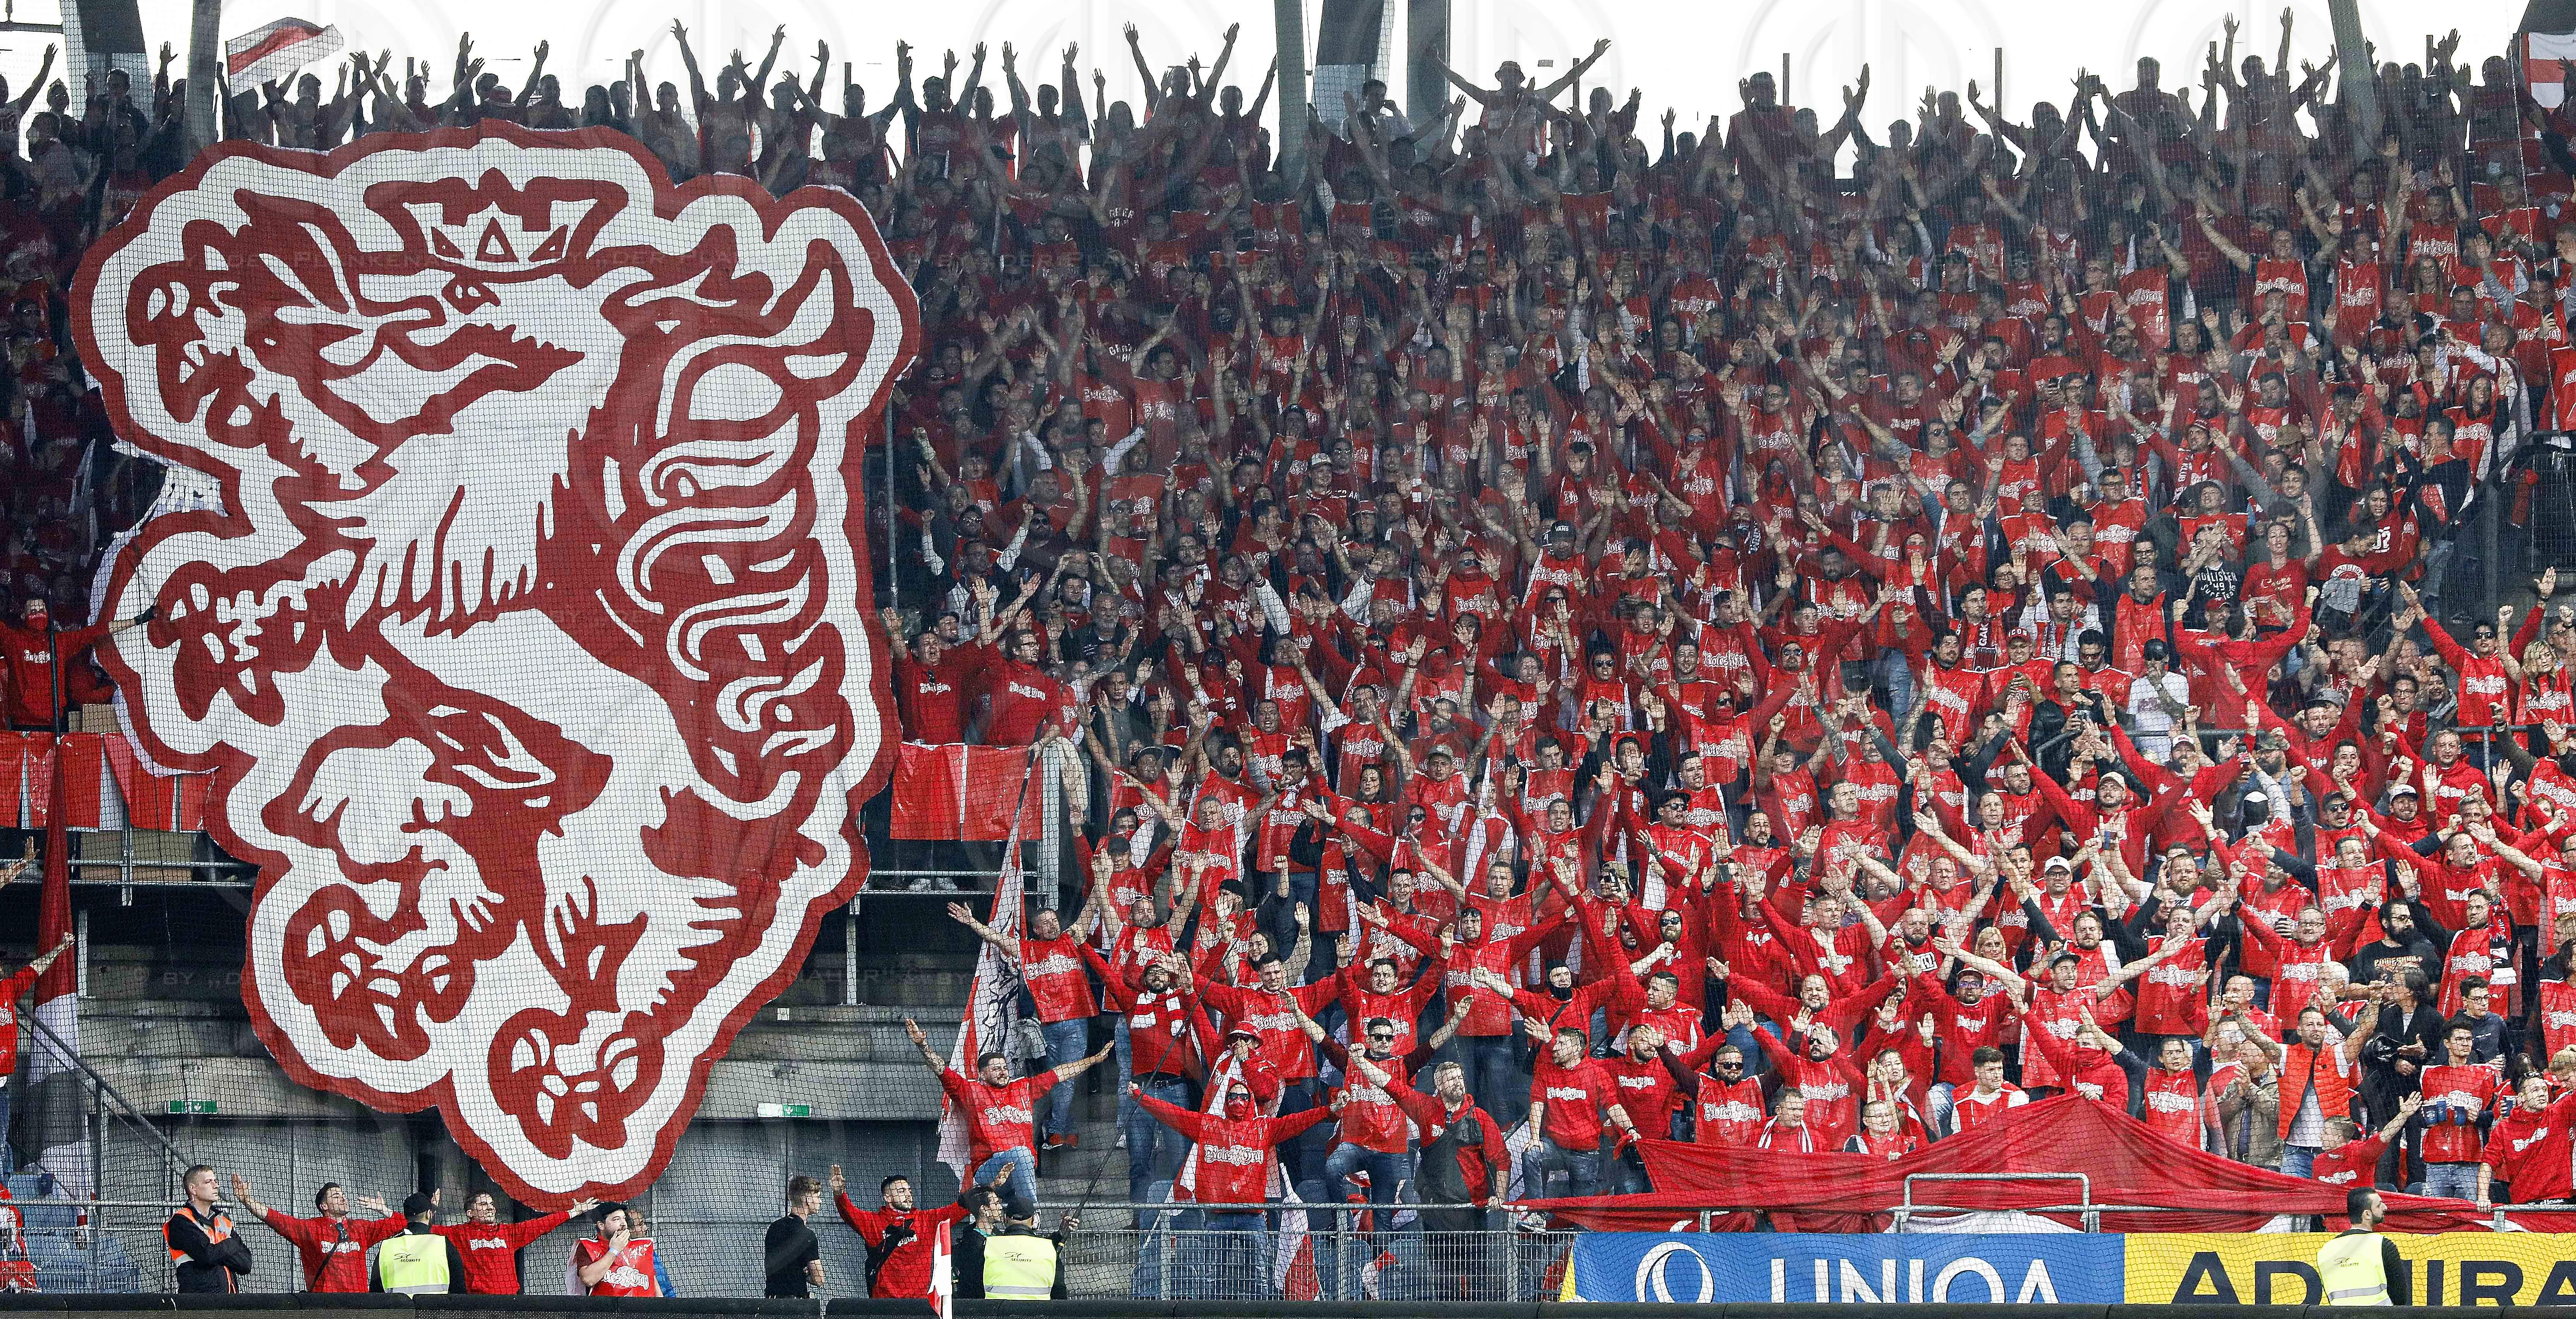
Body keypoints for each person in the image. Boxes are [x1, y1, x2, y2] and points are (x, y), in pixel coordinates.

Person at [900, 1016, 1112, 1206]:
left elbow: (1060, 1073)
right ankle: (1033, 1214)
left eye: (1004, 1067)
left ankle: (1022, 1218)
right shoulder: (971, 1091)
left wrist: (1095, 1059)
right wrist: (923, 1046)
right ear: (982, 1075)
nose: (1003, 1072)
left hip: (1019, 1173)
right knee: (1022, 1153)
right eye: (996, 1069)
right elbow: (941, 1070)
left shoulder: (1023, 1087)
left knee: (1023, 1158)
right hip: (988, 1172)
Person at [830, 1163, 982, 1302]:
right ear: (888, 1198)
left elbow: (959, 1209)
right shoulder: (873, 1222)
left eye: (909, 1190)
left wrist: (986, 1187)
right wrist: (839, 1194)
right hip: (884, 1305)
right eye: (902, 1191)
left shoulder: (927, 1220)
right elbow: (849, 1212)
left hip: (918, 1305)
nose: (909, 1194)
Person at [227, 1175, 399, 1293]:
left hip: (359, 1305)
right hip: (325, 1306)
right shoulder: (312, 1229)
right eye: (336, 1196)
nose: (343, 1198)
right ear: (324, 1206)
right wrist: (247, 1200)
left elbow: (401, 1223)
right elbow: (276, 1219)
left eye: (343, 1194)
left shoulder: (360, 1228)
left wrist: (382, 1209)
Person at [0, 930, 75, 1163]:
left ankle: (5, 1194)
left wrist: (60, 948)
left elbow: (35, 969)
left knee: (2, 1142)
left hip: (2, 1084)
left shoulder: (7, 989)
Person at [430, 1189, 597, 1295]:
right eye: (483, 1204)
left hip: (510, 1302)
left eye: (491, 1204)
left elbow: (540, 1225)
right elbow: (424, 1230)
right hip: (478, 1303)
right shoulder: (460, 1234)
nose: (490, 1208)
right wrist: (430, 1212)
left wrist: (573, 1212)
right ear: (470, 1213)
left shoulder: (509, 1233)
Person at [162, 1164, 251, 1294]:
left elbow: (245, 1264)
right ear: (193, 1189)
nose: (216, 1186)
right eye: (208, 1182)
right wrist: (231, 1243)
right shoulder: (182, 1221)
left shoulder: (222, 1221)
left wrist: (216, 1250)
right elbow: (207, 1256)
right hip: (198, 1304)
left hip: (229, 1303)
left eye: (216, 1181)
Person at [2316, 1186, 2409, 1305]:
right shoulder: (2383, 1245)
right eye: (2379, 1205)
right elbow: (2400, 1298)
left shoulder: (2325, 1251)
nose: (2385, 1208)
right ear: (2367, 1215)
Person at [978, 1195, 1075, 1302]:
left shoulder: (989, 1246)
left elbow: (974, 1288)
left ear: (1005, 1219)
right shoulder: (1048, 1249)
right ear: (1033, 1220)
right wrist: (1060, 1234)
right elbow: (1060, 1294)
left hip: (996, 1313)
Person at [369, 1193, 465, 1295]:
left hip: (399, 1310)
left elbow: (376, 1293)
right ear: (429, 1214)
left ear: (406, 1217)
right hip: (435, 1310)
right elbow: (459, 1289)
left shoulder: (387, 1247)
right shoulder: (443, 1244)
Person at [572, 1203, 658, 1297]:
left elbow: (653, 1285)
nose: (623, 1224)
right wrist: (614, 1250)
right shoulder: (589, 1247)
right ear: (601, 1225)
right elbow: (588, 1279)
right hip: (603, 1310)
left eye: (624, 1218)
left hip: (638, 1310)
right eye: (616, 1220)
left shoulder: (639, 1248)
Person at [763, 1175, 825, 1298]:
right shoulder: (807, 1236)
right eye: (818, 1197)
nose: (820, 1201)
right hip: (795, 1307)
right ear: (808, 1200)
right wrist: (805, 1274)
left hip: (770, 1304)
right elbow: (819, 1280)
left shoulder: (773, 1228)